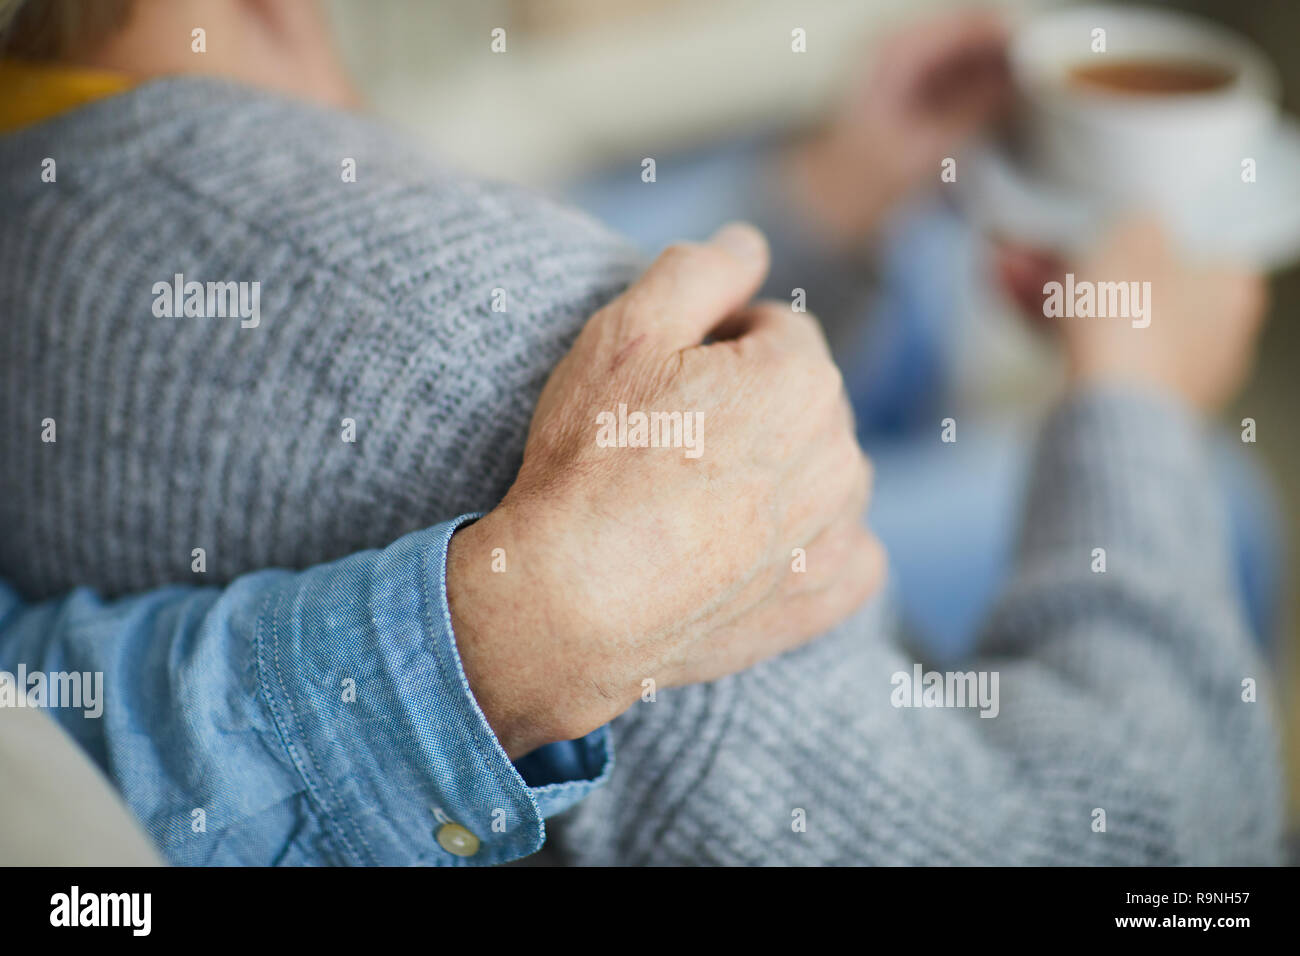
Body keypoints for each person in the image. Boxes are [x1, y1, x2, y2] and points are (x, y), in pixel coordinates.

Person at [0, 0, 1282, 865]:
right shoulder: (464, 345)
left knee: (925, 314)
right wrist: (1135, 396)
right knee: (1214, 507)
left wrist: (832, 196)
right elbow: (1126, 846)